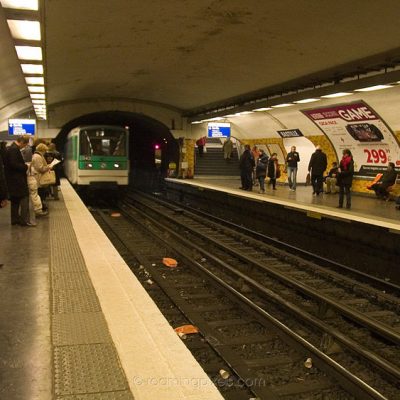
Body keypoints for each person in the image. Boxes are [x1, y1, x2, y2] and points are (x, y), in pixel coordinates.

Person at [3, 136, 33, 226]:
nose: (24, 146)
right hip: (17, 180)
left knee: (15, 201)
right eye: (25, 144)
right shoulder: (14, 150)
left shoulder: (12, 148)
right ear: (22, 142)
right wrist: (25, 166)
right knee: (24, 197)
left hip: (13, 179)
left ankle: (15, 220)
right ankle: (24, 220)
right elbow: (14, 164)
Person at [31, 143, 51, 213]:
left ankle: (42, 207)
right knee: (40, 193)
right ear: (42, 150)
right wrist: (48, 167)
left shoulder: (37, 156)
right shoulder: (38, 157)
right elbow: (40, 168)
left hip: (38, 177)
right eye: (45, 151)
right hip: (38, 178)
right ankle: (40, 209)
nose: (45, 152)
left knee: (41, 193)